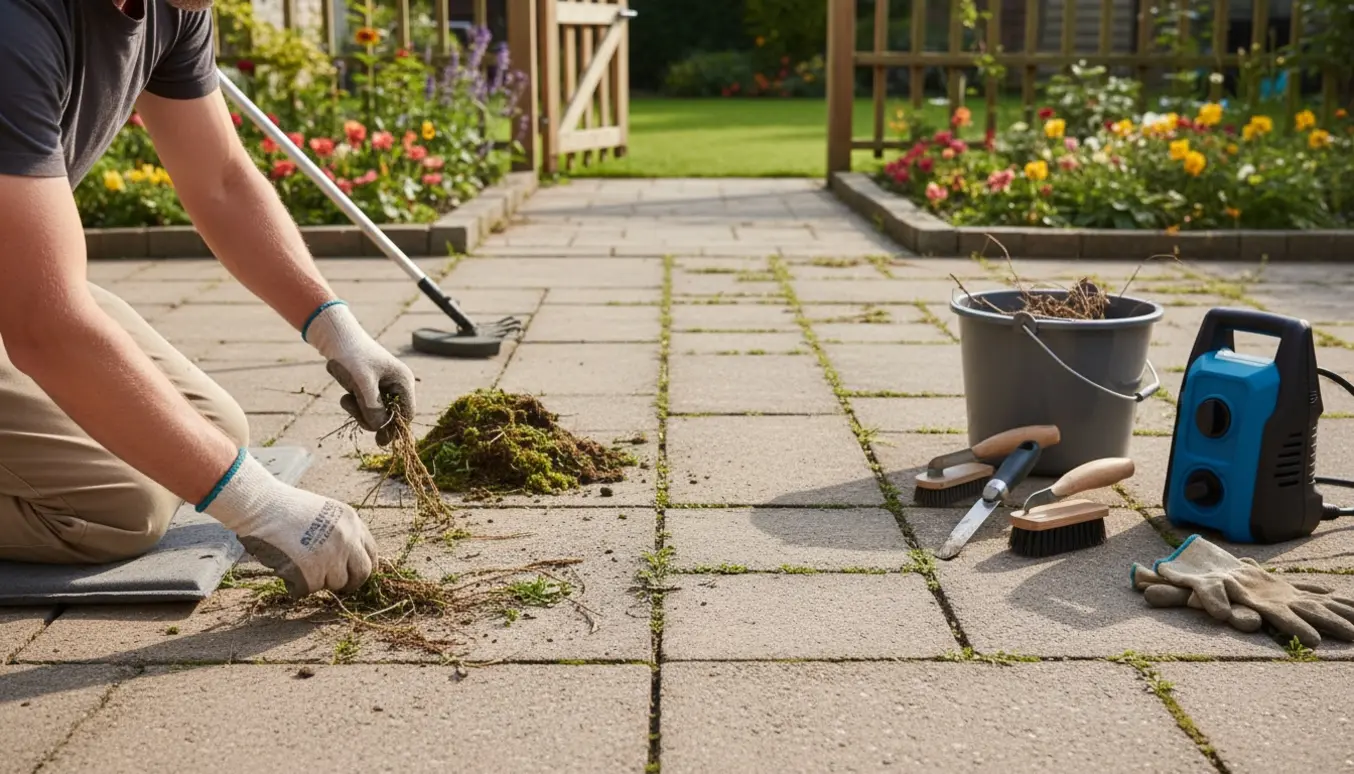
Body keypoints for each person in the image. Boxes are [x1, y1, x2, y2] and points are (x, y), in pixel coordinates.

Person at [0, 0, 415, 598]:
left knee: (216, 430)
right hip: (26, 302)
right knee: (119, 509)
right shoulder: (15, 29)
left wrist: (337, 330)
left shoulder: (174, 7)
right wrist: (259, 504)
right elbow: (47, 324)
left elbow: (220, 181)